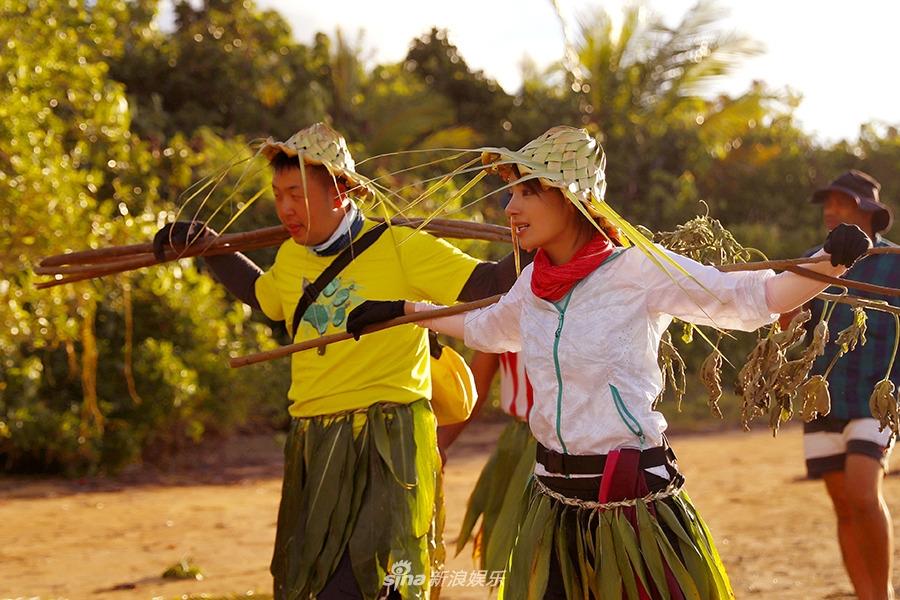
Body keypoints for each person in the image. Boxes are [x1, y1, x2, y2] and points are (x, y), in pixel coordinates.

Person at [346, 126, 874, 599]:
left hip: (630, 501)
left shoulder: (638, 269)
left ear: (572, 199)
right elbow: (489, 329)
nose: (510, 207)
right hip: (551, 499)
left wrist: (828, 263)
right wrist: (407, 311)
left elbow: (751, 298)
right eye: (512, 191)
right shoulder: (533, 281)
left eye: (528, 191)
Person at [153, 122, 524, 600]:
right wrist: (205, 242)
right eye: (278, 194)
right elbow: (261, 294)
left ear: (341, 191)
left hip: (388, 437)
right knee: (317, 578)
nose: (285, 208)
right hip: (315, 436)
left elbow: (484, 283)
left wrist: (550, 244)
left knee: (382, 581)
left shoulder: (399, 246)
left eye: (297, 194)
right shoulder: (289, 258)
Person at [792, 170, 898, 600]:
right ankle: (866, 594)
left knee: (861, 490)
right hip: (825, 396)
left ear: (869, 212)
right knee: (843, 504)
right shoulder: (812, 263)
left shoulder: (895, 262)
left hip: (879, 393)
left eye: (843, 203)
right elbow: (792, 324)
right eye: (827, 204)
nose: (831, 211)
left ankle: (884, 593)